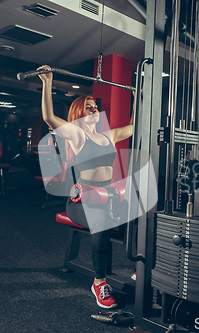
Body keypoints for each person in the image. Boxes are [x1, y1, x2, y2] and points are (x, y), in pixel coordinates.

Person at [38, 65, 134, 309]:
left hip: (106, 196)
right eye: (88, 106)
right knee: (101, 222)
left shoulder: (108, 136)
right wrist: (48, 82)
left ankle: (138, 267)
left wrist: (137, 96)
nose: (94, 109)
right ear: (79, 112)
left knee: (141, 214)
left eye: (95, 106)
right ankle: (99, 282)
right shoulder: (77, 134)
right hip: (81, 201)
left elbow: (134, 127)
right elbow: (49, 118)